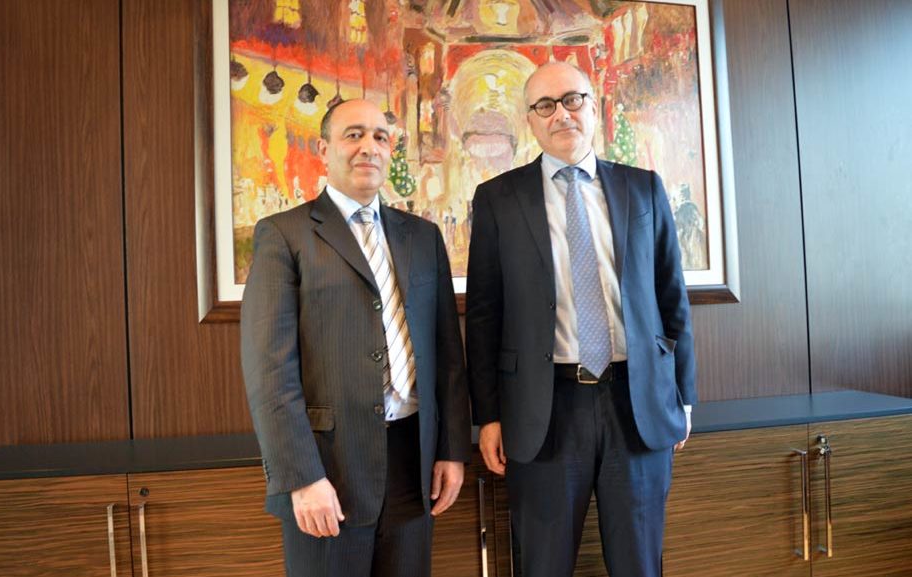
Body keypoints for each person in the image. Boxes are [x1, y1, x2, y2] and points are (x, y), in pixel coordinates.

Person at [465, 61, 696, 577]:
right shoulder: (498, 199)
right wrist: (488, 416)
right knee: (543, 565)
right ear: (530, 120)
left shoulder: (644, 188)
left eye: (573, 100)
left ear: (594, 107)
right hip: (544, 410)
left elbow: (672, 298)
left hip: (637, 403)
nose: (561, 114)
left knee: (640, 564)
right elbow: (483, 316)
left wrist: (682, 396)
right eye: (545, 105)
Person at [241, 99, 471, 577]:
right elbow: (270, 373)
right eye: (354, 135)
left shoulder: (423, 237)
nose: (369, 147)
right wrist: (302, 478)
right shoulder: (285, 235)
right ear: (324, 149)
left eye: (380, 137)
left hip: (414, 464)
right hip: (330, 470)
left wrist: (451, 449)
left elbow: (447, 356)